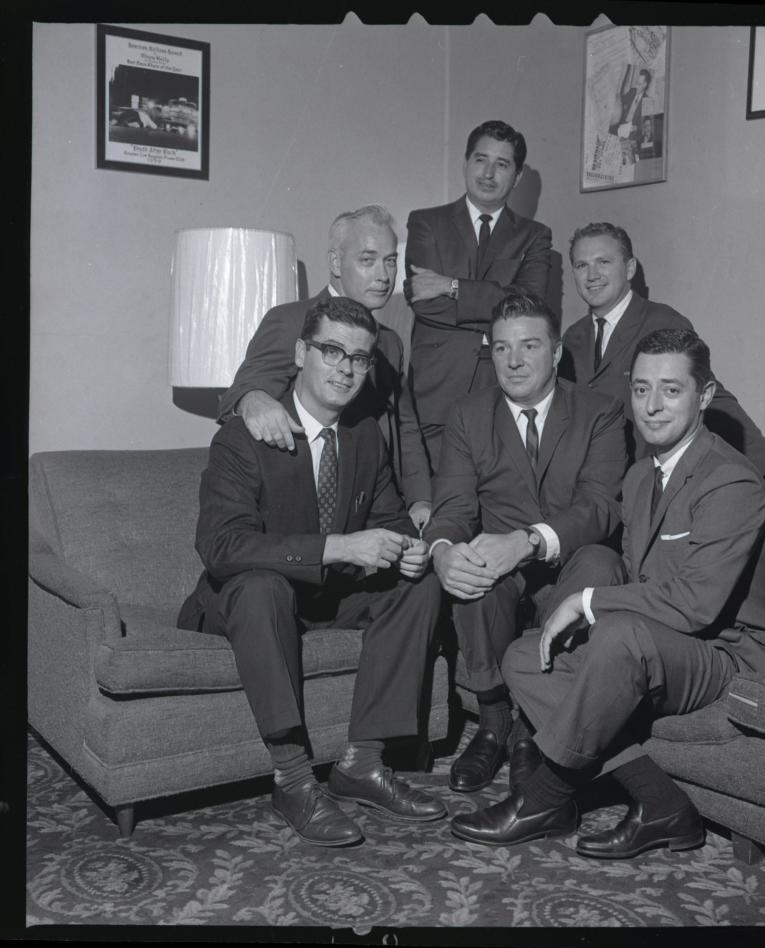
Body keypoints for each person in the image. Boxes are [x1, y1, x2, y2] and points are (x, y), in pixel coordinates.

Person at [451, 328, 765, 853]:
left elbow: (695, 604)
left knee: (617, 637)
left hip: (738, 653)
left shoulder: (731, 481)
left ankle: (544, 797)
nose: (653, 407)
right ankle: (661, 803)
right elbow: (641, 581)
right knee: (525, 656)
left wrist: (587, 601)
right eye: (641, 390)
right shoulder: (640, 477)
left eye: (671, 390)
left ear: (704, 396)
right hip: (669, 643)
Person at [178, 296, 446, 847]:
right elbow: (222, 546)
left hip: (325, 600)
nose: (346, 368)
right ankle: (293, 778)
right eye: (331, 351)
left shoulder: (365, 434)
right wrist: (338, 546)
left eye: (360, 358)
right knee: (260, 585)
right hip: (247, 602)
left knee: (418, 585)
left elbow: (391, 519)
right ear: (301, 353)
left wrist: (408, 549)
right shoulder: (242, 436)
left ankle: (362, 764)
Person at [422, 293, 626, 795]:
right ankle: (494, 719)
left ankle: (533, 728)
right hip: (505, 574)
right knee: (471, 564)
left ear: (555, 352)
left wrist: (529, 541)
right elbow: (451, 509)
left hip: (571, 562)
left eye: (529, 346)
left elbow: (600, 508)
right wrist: (443, 551)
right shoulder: (469, 414)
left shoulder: (600, 412)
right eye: (501, 348)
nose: (513, 361)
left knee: (601, 562)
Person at [559, 222, 765, 501]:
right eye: (581, 266)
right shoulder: (572, 338)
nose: (592, 274)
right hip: (590, 492)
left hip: (646, 490)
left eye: (603, 262)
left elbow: (712, 399)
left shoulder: (661, 321)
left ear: (630, 268)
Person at [219, 205, 432, 531]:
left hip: (377, 506)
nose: (384, 276)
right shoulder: (291, 320)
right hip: (311, 510)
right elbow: (242, 392)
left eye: (390, 261)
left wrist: (420, 499)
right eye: (367, 260)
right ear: (335, 262)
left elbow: (405, 427)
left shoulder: (390, 344)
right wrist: (253, 399)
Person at [403, 120, 552, 468]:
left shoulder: (534, 235)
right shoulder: (426, 222)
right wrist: (501, 307)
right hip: (436, 387)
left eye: (502, 164)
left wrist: (451, 285)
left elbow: (530, 307)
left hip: (502, 386)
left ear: (515, 177)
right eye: (480, 160)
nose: (488, 173)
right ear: (465, 163)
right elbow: (425, 304)